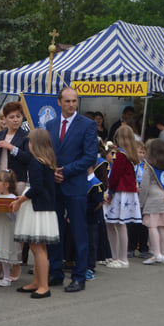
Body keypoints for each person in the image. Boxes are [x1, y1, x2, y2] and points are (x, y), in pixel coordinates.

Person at [45, 87, 98, 293]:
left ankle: (79, 276)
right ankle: (56, 272)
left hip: (75, 185)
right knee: (54, 231)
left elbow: (90, 157)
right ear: (59, 102)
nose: (71, 105)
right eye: (67, 101)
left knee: (78, 232)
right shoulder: (50, 124)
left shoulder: (87, 125)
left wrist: (65, 171)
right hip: (55, 185)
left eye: (74, 101)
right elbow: (46, 152)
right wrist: (52, 171)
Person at [11, 129, 60, 299]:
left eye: (30, 142)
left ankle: (44, 286)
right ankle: (37, 282)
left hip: (38, 209)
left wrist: (20, 200)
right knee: (37, 247)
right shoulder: (45, 162)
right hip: (42, 207)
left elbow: (36, 188)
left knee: (38, 248)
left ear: (36, 144)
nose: (28, 145)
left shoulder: (36, 163)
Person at [104, 126, 142, 268]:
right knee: (118, 224)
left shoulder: (119, 155)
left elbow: (114, 175)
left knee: (118, 224)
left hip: (121, 191)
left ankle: (121, 258)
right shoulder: (131, 155)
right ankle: (117, 257)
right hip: (128, 192)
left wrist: (110, 191)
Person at [138, 138, 164, 265]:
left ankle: (156, 254)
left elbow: (145, 186)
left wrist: (141, 203)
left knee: (152, 226)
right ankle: (162, 252)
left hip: (153, 199)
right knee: (162, 227)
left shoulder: (149, 164)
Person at [0, 101, 31, 196]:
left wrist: (12, 148)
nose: (15, 120)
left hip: (17, 181)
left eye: (18, 116)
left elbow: (28, 158)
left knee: (14, 208)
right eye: (12, 117)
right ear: (5, 119)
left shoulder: (26, 136)